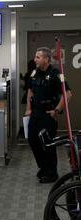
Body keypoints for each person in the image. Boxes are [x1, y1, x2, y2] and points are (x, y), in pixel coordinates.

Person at [25, 47, 72, 183]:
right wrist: (28, 108)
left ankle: (51, 173)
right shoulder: (34, 72)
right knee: (33, 140)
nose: (35, 59)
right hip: (35, 113)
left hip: (48, 114)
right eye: (35, 57)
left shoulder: (57, 74)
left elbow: (67, 94)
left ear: (46, 59)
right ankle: (43, 167)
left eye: (38, 57)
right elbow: (30, 90)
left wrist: (56, 110)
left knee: (47, 143)